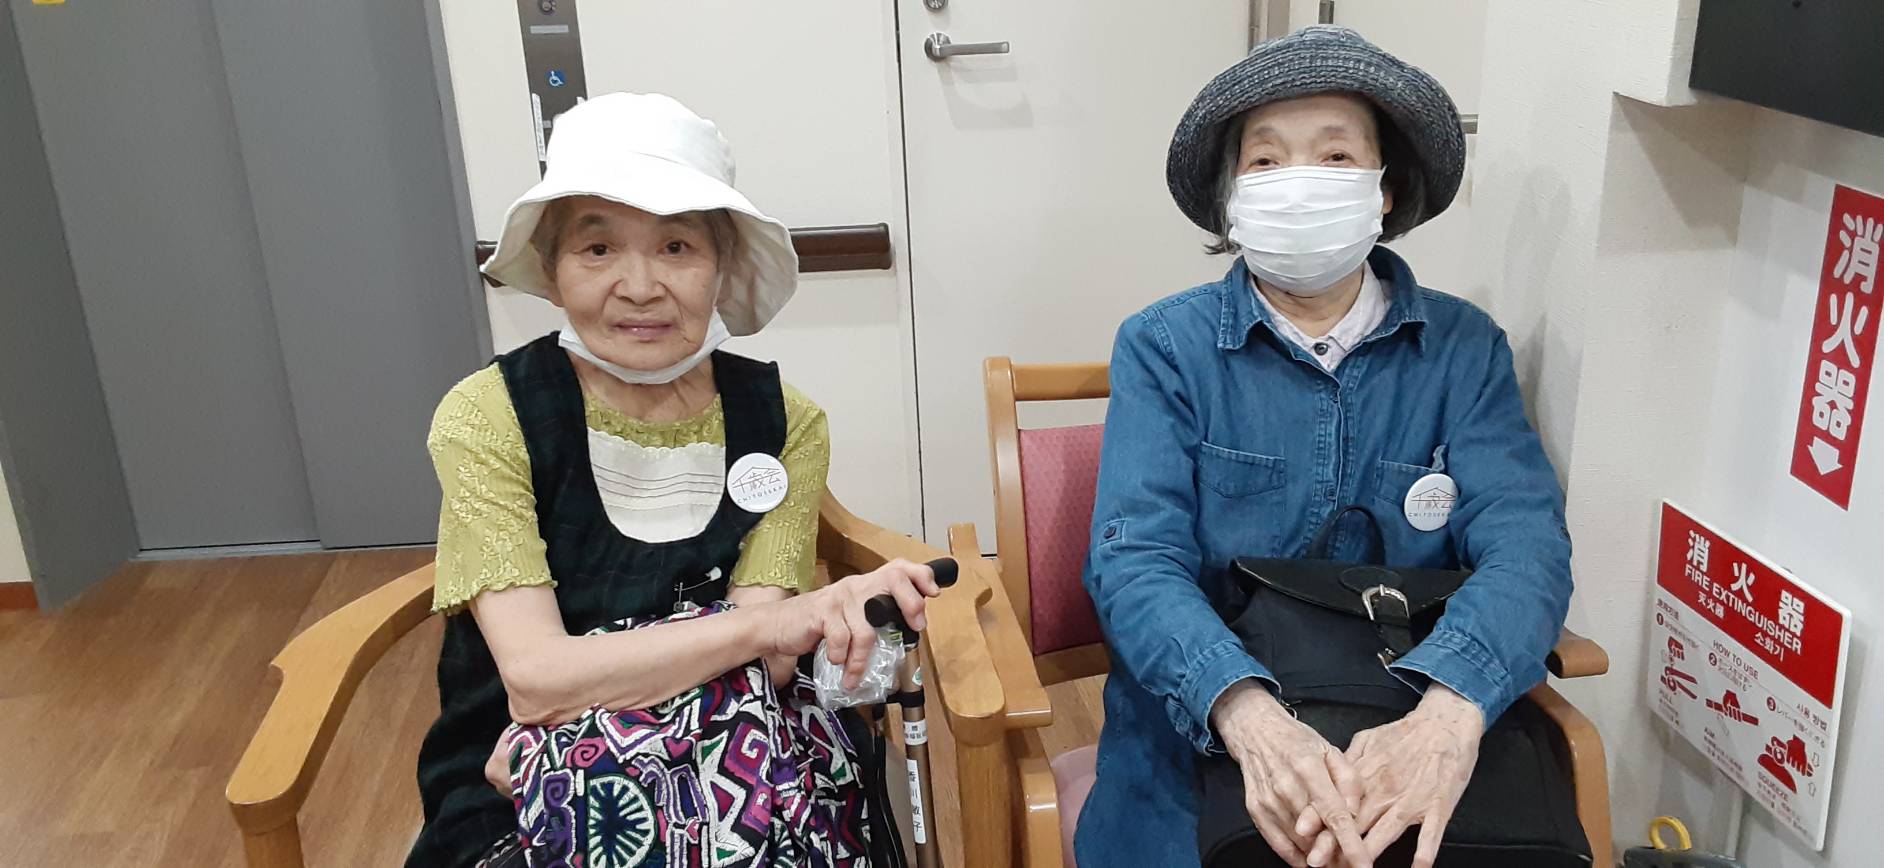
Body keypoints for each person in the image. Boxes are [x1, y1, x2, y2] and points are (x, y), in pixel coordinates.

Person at [1076, 27, 1580, 868]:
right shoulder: (1165, 348)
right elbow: (1134, 560)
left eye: (1337, 156)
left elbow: (1527, 544)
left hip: (1405, 715)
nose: (1299, 182)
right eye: (1266, 160)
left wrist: (1449, 714)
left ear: (1385, 191)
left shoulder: (1463, 351)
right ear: (1232, 198)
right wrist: (1249, 718)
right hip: (1206, 732)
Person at [407, 92, 937, 868]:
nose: (640, 286)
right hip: (511, 773)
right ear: (551, 271)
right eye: (597, 249)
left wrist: (587, 712)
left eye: (677, 247)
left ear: (722, 267)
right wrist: (763, 627)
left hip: (742, 748)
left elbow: (770, 665)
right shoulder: (490, 416)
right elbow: (535, 679)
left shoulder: (785, 422)